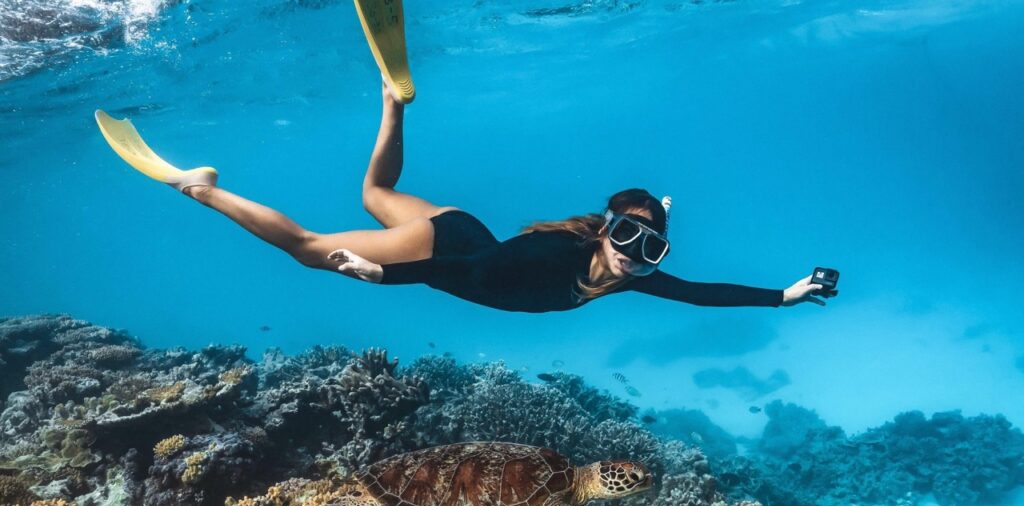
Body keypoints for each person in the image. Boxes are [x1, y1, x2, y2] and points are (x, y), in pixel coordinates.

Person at [109, 82, 838, 313]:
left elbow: (700, 293)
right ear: (602, 232)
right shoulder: (558, 254)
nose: (636, 261)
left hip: (466, 233)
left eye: (652, 248)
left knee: (375, 190)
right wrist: (385, 276)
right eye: (626, 238)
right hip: (446, 250)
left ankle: (395, 105)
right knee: (308, 253)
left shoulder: (630, 273)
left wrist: (784, 295)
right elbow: (472, 276)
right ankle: (198, 189)